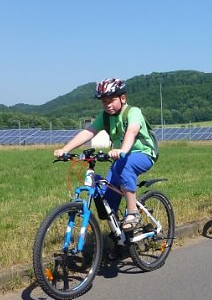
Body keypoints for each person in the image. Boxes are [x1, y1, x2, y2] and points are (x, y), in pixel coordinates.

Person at [54, 77, 157, 231]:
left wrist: (122, 150)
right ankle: (119, 235)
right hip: (120, 158)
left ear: (123, 98)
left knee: (125, 165)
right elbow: (88, 132)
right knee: (104, 193)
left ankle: (133, 211)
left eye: (111, 100)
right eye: (104, 102)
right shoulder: (105, 117)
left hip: (143, 154)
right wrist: (65, 149)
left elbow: (132, 131)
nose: (107, 105)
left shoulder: (133, 112)